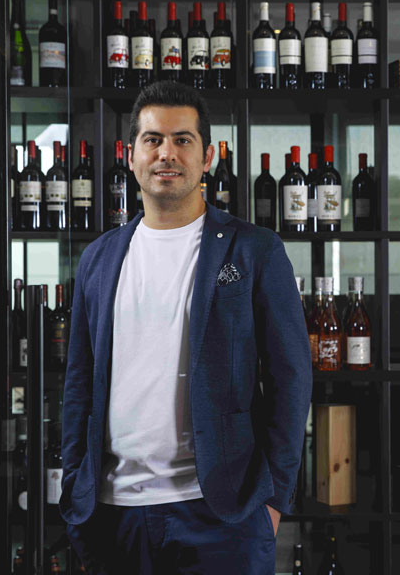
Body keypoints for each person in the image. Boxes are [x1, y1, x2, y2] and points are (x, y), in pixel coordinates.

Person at [60, 80, 312, 574]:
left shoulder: (254, 249)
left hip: (222, 513)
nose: (166, 153)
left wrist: (274, 498)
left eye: (182, 140)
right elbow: (78, 385)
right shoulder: (99, 259)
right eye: (153, 140)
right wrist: (74, 482)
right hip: (114, 512)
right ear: (131, 155)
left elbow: (291, 377)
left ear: (207, 156)